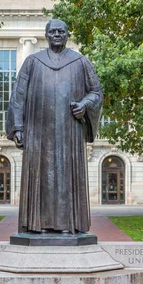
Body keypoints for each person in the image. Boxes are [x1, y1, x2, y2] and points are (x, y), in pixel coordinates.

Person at [7, 19, 103, 234]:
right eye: (53, 31)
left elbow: (96, 92)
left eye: (61, 31)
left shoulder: (80, 62)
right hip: (37, 132)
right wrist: (18, 127)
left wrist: (84, 105)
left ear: (67, 35)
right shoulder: (32, 62)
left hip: (70, 131)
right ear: (46, 35)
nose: (57, 34)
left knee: (66, 177)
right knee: (40, 177)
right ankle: (36, 225)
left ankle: (70, 225)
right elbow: (18, 96)